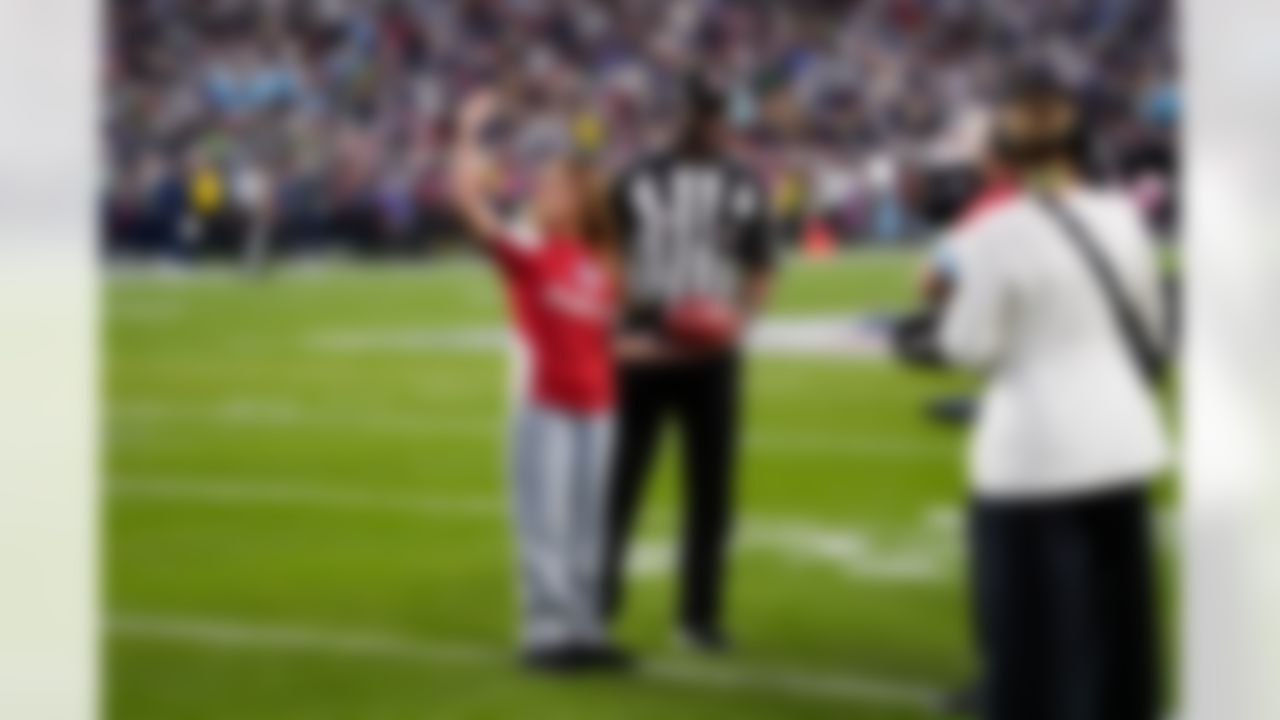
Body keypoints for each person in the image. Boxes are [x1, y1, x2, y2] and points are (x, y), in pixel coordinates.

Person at [896, 67, 1169, 720]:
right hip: (1124, 442)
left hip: (1032, 456)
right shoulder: (1122, 216)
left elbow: (967, 346)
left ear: (1008, 155)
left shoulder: (998, 233)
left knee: (1033, 657)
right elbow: (1153, 326)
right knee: (1120, 642)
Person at [449, 90, 630, 672]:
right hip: (543, 404)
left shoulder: (602, 261)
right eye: (542, 185)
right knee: (544, 522)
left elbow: (611, 339)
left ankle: (587, 630)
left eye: (554, 186)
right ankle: (545, 635)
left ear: (580, 200)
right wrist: (468, 132)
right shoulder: (530, 248)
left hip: (598, 406)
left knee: (590, 523)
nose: (541, 192)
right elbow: (466, 199)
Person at [601, 76, 776, 651]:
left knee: (711, 491)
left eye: (714, 117)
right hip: (646, 345)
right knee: (621, 482)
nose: (709, 127)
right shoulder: (635, 181)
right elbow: (607, 253)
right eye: (699, 116)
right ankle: (596, 601)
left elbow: (761, 264)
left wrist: (739, 321)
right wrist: (625, 317)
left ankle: (699, 617)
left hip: (711, 354)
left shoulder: (742, 183)